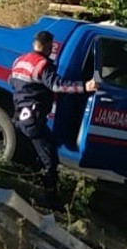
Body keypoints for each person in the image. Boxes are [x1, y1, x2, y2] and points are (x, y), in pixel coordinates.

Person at [10, 30, 98, 209]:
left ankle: (26, 187)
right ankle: (50, 201)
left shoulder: (20, 60)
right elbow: (58, 85)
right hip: (34, 119)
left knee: (30, 155)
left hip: (19, 116)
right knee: (50, 160)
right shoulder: (43, 65)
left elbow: (11, 81)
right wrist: (85, 86)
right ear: (49, 46)